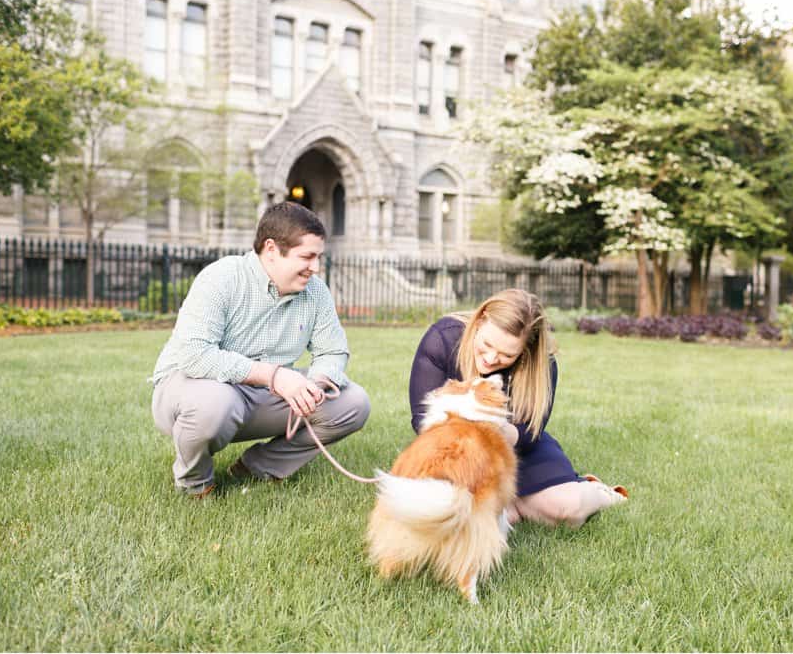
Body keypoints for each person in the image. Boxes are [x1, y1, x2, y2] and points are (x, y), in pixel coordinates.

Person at [150, 201, 370, 498]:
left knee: (353, 402)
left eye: (318, 257)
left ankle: (257, 467)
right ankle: (195, 484)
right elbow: (194, 356)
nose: (315, 268)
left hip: (262, 395)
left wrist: (317, 383)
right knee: (214, 403)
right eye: (307, 256)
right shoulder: (221, 278)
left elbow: (332, 351)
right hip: (193, 390)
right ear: (271, 250)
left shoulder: (316, 292)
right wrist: (275, 377)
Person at [409, 288, 626, 527]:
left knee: (567, 509)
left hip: (517, 447)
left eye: (507, 355)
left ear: (525, 350)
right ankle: (515, 504)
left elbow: (530, 432)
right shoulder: (443, 338)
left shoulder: (541, 364)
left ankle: (598, 492)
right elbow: (421, 419)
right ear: (480, 321)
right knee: (454, 511)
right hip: (455, 450)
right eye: (486, 345)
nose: (491, 359)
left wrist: (498, 433)